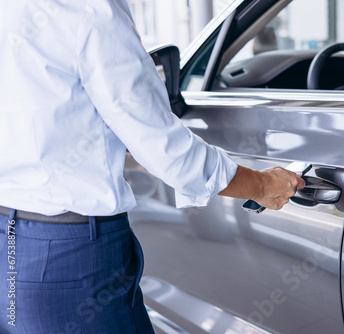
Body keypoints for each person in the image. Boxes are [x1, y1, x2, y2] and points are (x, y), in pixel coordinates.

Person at [0, 0, 305, 333]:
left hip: (11, 238)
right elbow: (160, 142)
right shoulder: (92, 8)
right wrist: (260, 186)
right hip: (68, 255)